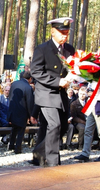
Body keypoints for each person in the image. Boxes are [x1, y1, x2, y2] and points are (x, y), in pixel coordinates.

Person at [30, 17, 75, 167]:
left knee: (62, 126)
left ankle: (39, 152)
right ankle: (52, 161)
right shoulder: (42, 49)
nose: (65, 35)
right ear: (52, 32)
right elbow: (36, 71)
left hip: (61, 95)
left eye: (67, 33)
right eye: (62, 32)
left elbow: (73, 69)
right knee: (54, 125)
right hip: (46, 93)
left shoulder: (69, 49)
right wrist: (57, 82)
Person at [74, 81, 100, 162]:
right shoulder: (92, 81)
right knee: (88, 130)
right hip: (91, 107)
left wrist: (95, 96)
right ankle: (85, 153)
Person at [7, 71, 34, 154]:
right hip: (22, 111)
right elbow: (29, 102)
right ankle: (18, 148)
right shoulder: (28, 87)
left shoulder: (14, 84)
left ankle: (11, 145)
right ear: (30, 79)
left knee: (14, 129)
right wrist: (31, 115)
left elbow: (10, 96)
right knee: (21, 131)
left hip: (13, 110)